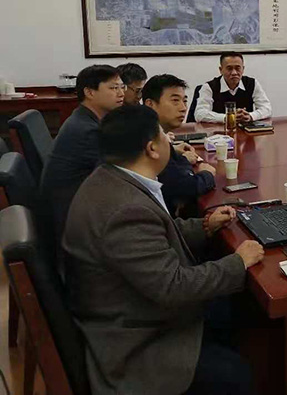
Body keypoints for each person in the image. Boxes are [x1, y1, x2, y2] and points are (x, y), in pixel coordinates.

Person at [62, 105, 264, 395]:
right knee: (235, 372)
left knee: (235, 309)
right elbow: (173, 287)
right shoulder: (125, 209)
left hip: (133, 305)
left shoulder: (111, 178)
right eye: (163, 136)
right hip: (138, 340)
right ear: (152, 149)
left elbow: (157, 233)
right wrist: (238, 261)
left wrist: (204, 226)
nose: (170, 141)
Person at [39, 64, 125, 257]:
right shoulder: (88, 130)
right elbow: (117, 173)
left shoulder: (84, 119)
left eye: (122, 87)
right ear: (89, 92)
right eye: (113, 88)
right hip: (72, 225)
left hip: (72, 210)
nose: (121, 93)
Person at [143, 74, 216, 216]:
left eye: (185, 101)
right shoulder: (150, 139)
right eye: (175, 101)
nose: (183, 108)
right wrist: (206, 174)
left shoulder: (156, 132)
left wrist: (182, 160)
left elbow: (176, 172)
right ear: (150, 104)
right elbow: (183, 187)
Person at [194, 52, 272, 124]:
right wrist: (228, 117)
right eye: (229, 68)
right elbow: (200, 114)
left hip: (246, 131)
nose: (234, 73)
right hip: (218, 131)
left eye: (238, 68)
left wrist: (250, 116)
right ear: (221, 70)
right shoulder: (209, 87)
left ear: (243, 69)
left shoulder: (252, 83)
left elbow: (267, 108)